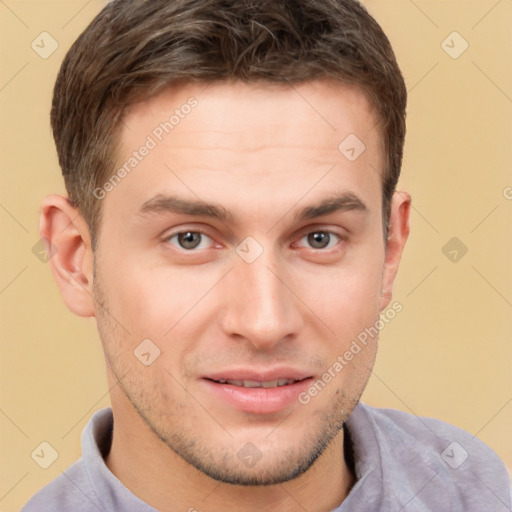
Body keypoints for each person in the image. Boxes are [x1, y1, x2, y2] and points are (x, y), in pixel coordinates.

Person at [22, 0, 510, 510]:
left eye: (319, 238)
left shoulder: (478, 489)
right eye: (190, 239)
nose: (264, 322)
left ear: (389, 250)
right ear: (76, 260)